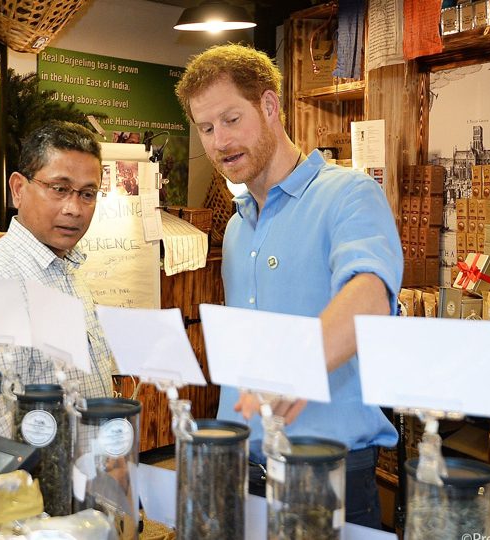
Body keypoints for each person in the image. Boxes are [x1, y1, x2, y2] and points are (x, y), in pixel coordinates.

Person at [175, 44, 403, 529]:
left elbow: (371, 294)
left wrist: (295, 365)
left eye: (232, 119)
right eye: (207, 128)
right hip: (244, 473)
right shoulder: (238, 228)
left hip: (328, 477)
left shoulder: (349, 195)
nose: (219, 141)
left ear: (270, 106)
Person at [0, 121, 114, 437]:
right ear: (19, 189)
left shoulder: (67, 272)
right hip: (37, 483)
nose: (74, 209)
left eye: (88, 194)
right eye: (60, 189)